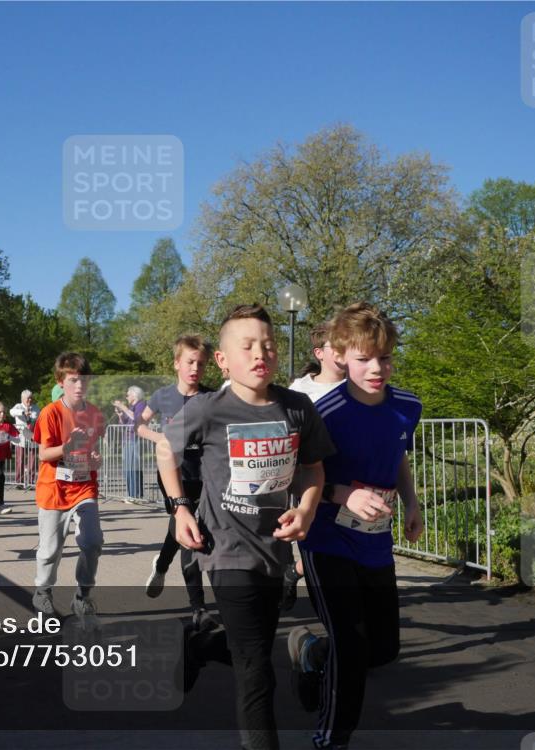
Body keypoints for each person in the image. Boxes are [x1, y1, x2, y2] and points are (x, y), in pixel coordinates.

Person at [159, 304, 334, 750]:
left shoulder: (297, 408)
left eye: (269, 345)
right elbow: (166, 448)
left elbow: (313, 469)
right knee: (257, 670)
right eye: (248, 346)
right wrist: (180, 508)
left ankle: (198, 647)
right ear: (223, 360)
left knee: (247, 646)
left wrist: (309, 509)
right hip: (226, 547)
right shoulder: (208, 409)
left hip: (274, 550)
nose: (262, 354)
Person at [290, 302, 423, 750]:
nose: (376, 368)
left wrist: (411, 502)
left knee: (383, 648)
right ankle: (330, 740)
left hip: (375, 541)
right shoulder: (322, 411)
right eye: (364, 358)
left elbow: (398, 455)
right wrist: (344, 493)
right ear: (341, 355)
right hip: (327, 537)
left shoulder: (408, 405)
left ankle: (312, 653)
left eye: (384, 358)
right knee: (351, 644)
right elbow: (296, 474)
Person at [137, 334, 216, 631]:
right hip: (172, 473)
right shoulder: (162, 396)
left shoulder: (210, 398)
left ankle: (160, 565)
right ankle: (199, 608)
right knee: (188, 532)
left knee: (181, 528)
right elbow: (140, 425)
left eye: (201, 364)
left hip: (203, 473)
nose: (196, 368)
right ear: (176, 363)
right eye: (190, 362)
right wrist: (162, 439)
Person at [31, 352, 105, 622]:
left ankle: (83, 596)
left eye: (83, 380)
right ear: (60, 381)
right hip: (53, 489)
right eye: (73, 380)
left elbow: (94, 452)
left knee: (92, 541)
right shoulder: (50, 413)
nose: (79, 386)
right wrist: (67, 447)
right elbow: (43, 454)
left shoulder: (96, 414)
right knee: (50, 550)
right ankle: (43, 592)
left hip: (84, 488)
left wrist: (96, 459)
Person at [281, 321, 348, 611]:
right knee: (327, 556)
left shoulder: (359, 383)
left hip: (356, 481)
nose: (346, 352)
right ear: (319, 353)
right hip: (316, 482)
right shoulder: (300, 390)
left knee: (346, 558)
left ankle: (294, 570)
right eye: (338, 346)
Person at [112, 386, 146, 498]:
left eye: (127, 395)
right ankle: (131, 494)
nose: (126, 397)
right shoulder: (131, 407)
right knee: (128, 468)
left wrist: (123, 407)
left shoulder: (141, 405)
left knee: (133, 467)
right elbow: (123, 424)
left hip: (135, 439)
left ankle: (136, 495)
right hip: (127, 440)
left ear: (134, 395)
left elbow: (137, 419)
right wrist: (121, 416)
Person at [10, 390, 40, 489]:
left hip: (32, 436)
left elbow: (39, 418)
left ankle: (31, 482)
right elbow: (11, 412)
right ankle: (19, 482)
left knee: (32, 461)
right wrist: (23, 412)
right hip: (21, 437)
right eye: (28, 398)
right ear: (23, 399)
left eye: (31, 397)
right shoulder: (18, 406)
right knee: (20, 460)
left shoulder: (36, 408)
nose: (30, 400)